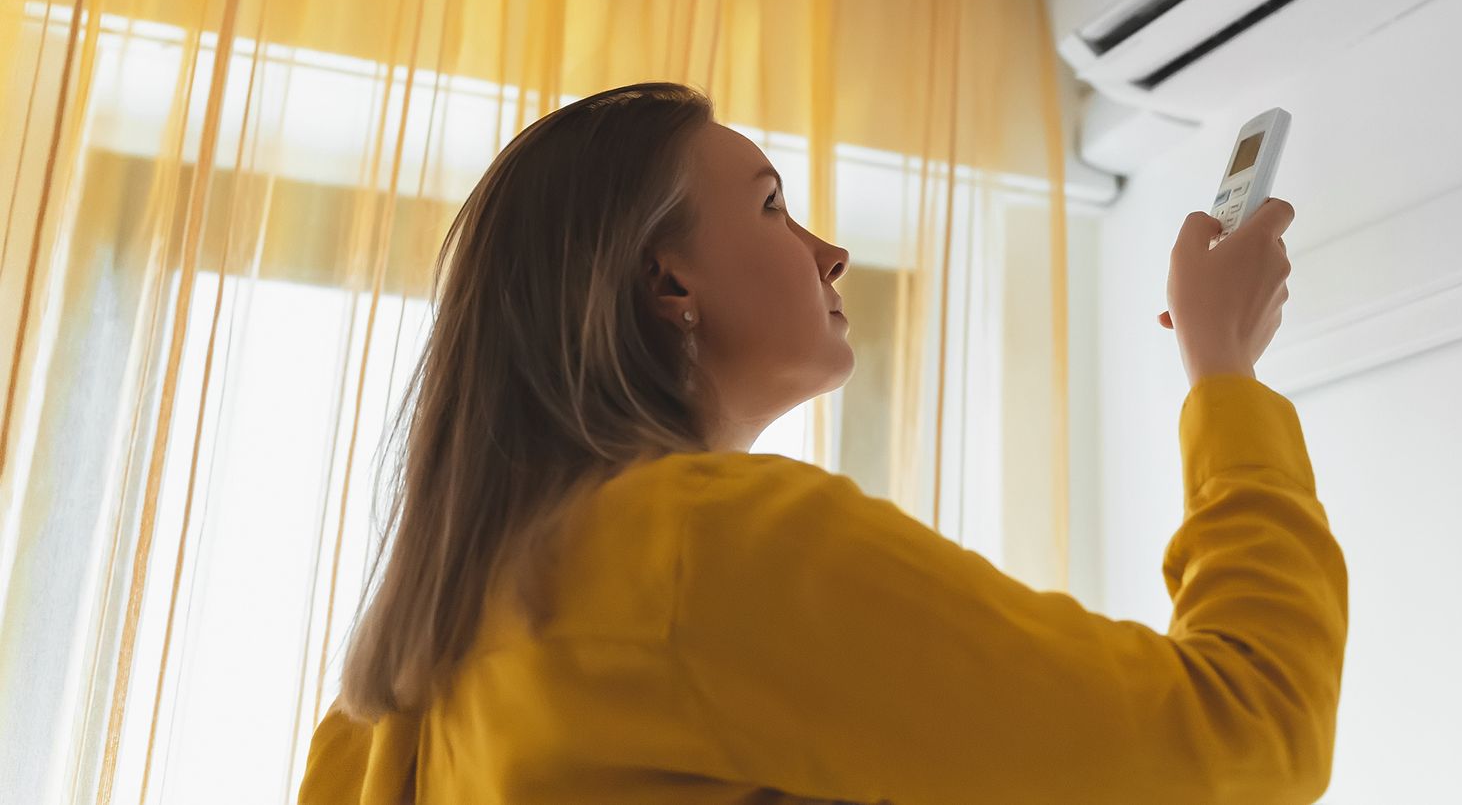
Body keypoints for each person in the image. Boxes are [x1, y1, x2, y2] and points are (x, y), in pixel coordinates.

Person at [298, 81, 1347, 804]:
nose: (830, 252)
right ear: (668, 282)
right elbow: (1245, 736)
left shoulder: (398, 688)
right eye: (771, 206)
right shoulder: (703, 547)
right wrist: (1223, 373)